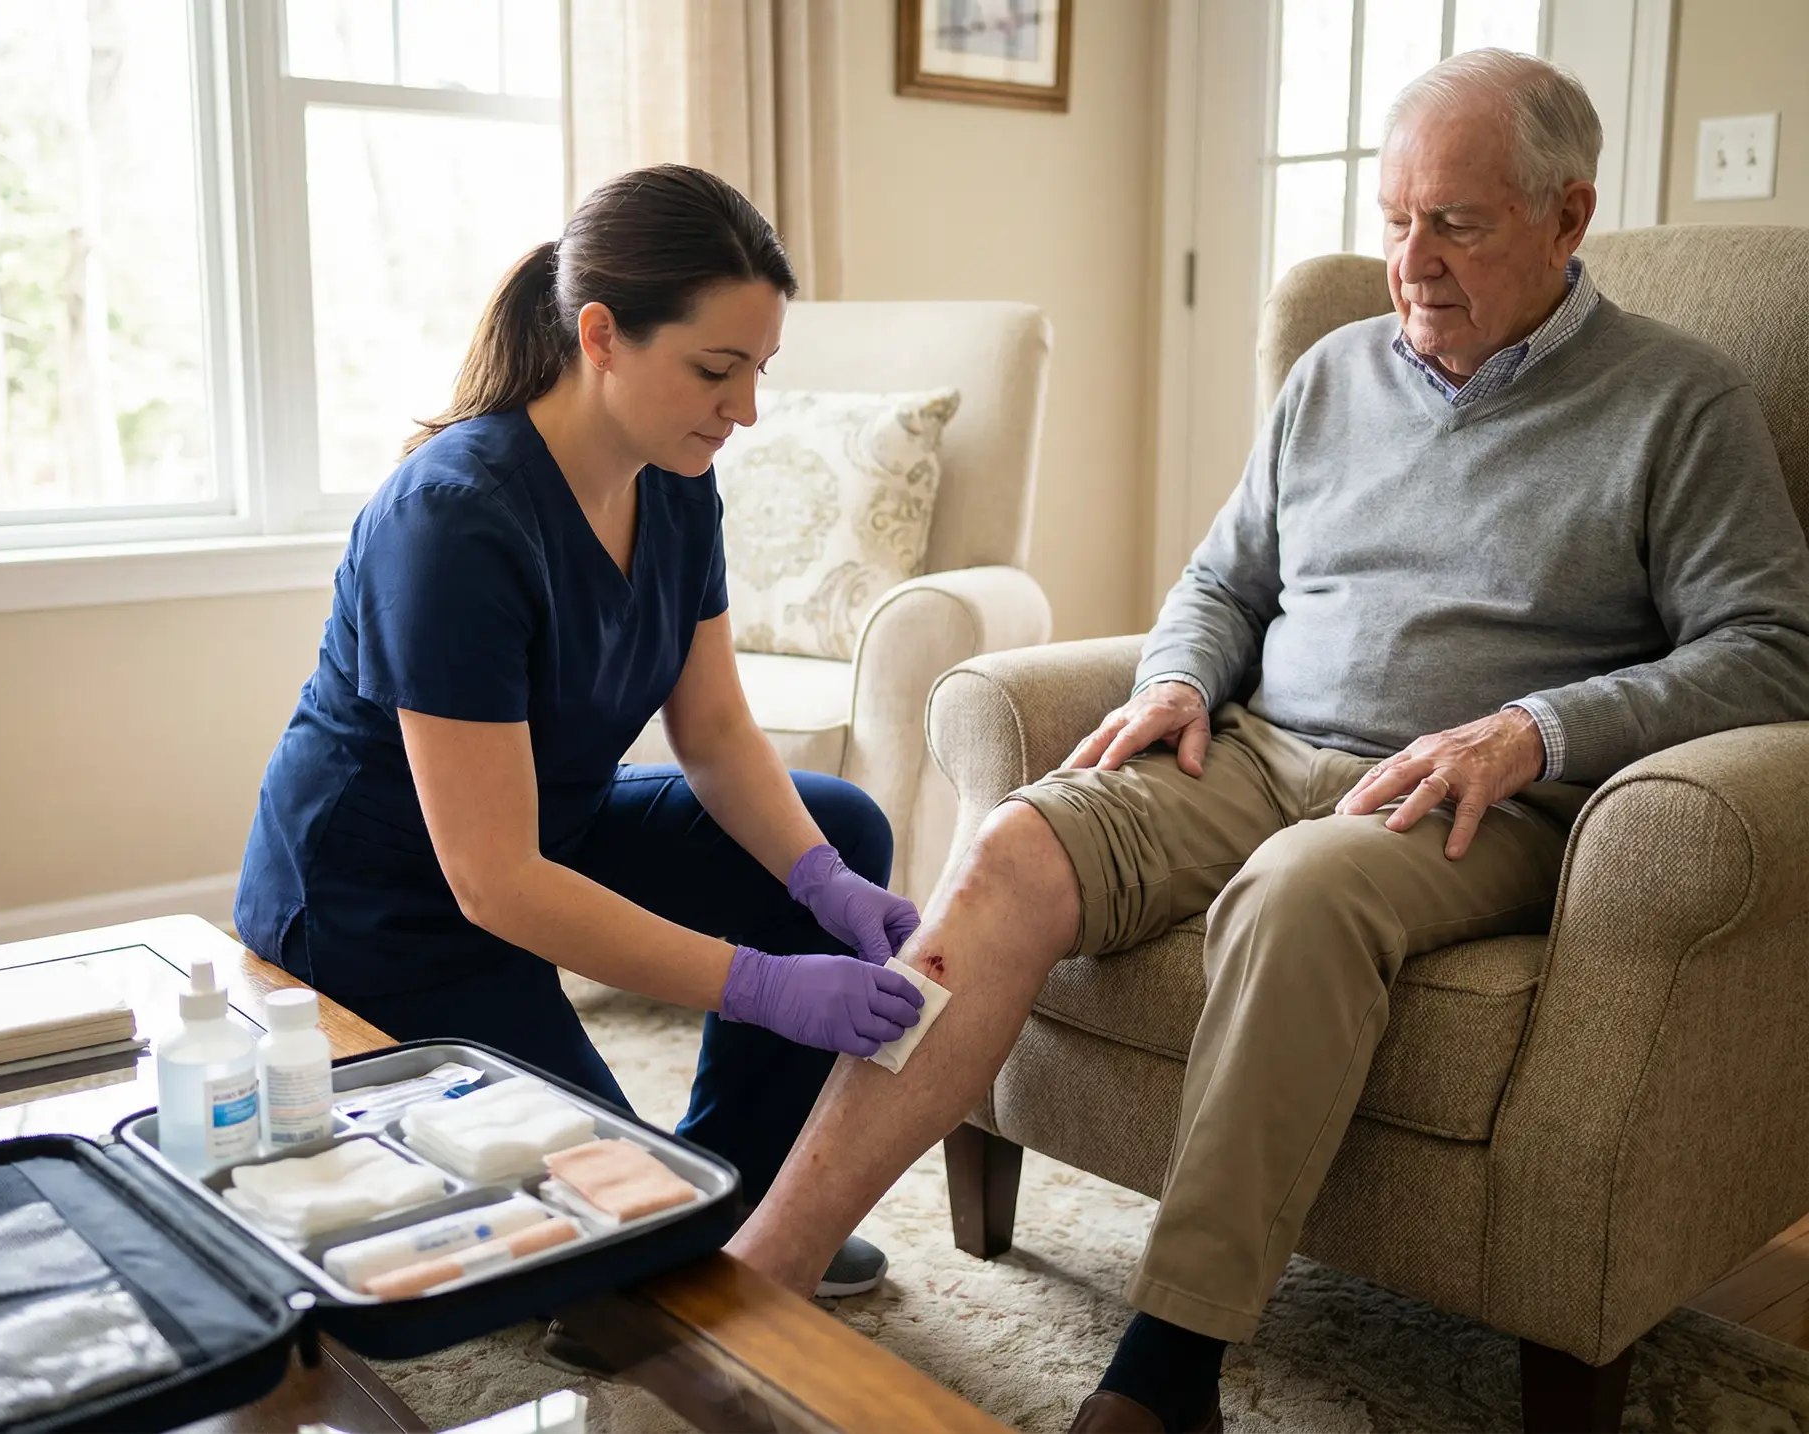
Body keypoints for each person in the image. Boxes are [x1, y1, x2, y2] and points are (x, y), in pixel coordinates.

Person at [720, 49, 1809, 1433]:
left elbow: (1771, 651)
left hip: (1468, 800)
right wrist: (1179, 675)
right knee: (1012, 847)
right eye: (1396, 217)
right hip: (1251, 745)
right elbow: (1226, 579)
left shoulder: (1679, 404)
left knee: (1301, 886)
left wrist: (1536, 732)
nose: (1410, 262)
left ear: (1568, 217)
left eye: (1456, 224)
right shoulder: (1335, 373)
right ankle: (769, 1270)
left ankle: (1167, 1372)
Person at [233, 165, 926, 1316]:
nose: (745, 409)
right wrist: (761, 986)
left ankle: (739, 1197)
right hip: (386, 907)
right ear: (599, 334)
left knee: (839, 823)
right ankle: (683, 1219)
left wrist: (824, 883)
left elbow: (711, 729)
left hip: (548, 831)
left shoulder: (678, 483)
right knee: (621, 1235)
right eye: (717, 368)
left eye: (760, 370)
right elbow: (490, 879)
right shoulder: (451, 520)